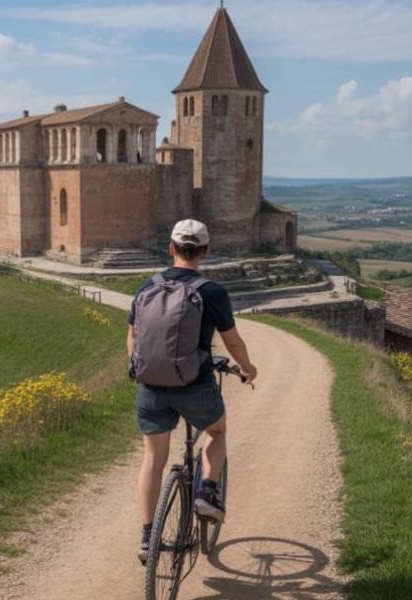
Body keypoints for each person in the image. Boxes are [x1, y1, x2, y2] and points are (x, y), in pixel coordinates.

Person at [127, 219, 258, 563]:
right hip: (194, 384)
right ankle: (206, 492)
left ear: (170, 248)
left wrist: (139, 368)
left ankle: (146, 537)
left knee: (152, 458)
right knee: (217, 431)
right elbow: (232, 341)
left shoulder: (146, 287)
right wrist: (247, 368)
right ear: (205, 251)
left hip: (150, 386)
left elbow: (133, 337)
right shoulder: (211, 291)